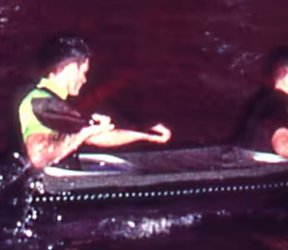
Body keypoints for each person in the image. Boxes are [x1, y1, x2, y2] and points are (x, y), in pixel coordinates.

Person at [16, 33, 172, 169]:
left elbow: (100, 137)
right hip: (37, 194)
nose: (84, 80)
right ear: (70, 68)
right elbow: (39, 157)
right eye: (83, 72)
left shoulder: (54, 101)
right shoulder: (39, 101)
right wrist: (82, 134)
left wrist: (145, 133)